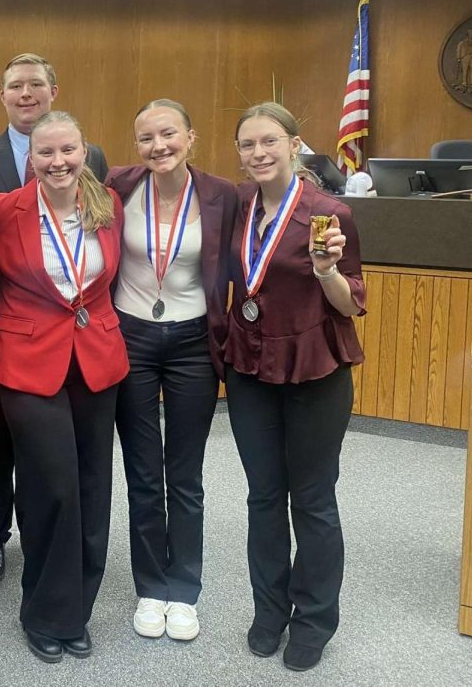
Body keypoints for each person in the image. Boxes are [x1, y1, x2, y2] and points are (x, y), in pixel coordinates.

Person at [225, 102, 366, 673]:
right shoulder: (237, 206)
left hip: (314, 369)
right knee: (263, 497)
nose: (258, 153)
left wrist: (326, 271)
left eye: (269, 142)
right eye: (247, 145)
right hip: (250, 369)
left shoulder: (329, 214)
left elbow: (352, 302)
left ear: (294, 144)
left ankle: (313, 619)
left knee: (311, 500)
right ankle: (268, 611)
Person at [0, 110, 128, 664]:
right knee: (54, 487)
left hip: (96, 358)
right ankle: (44, 612)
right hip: (27, 361)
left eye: (66, 149)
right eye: (45, 153)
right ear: (30, 159)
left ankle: (78, 611)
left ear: (83, 148)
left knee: (93, 488)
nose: (57, 161)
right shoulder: (2, 210)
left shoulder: (107, 206)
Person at [0, 52, 109, 585]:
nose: (26, 94)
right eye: (15, 87)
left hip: (70, 329)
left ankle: (43, 539)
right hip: (1, 324)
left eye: (35, 85)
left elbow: (100, 229)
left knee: (55, 457)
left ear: (54, 90)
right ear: (2, 97)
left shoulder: (87, 155)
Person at [104, 100, 236, 643]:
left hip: (191, 342)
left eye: (168, 134)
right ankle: (150, 587)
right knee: (141, 471)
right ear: (135, 145)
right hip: (130, 337)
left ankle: (183, 589)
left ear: (191, 136)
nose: (158, 146)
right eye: (146, 138)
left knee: (184, 471)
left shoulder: (222, 195)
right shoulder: (117, 185)